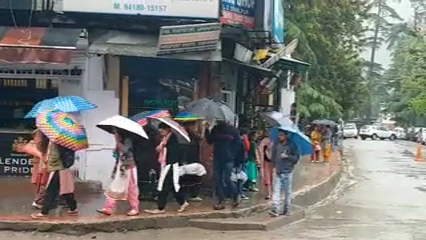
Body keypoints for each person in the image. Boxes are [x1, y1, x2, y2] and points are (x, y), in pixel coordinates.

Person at [146, 123, 189, 214]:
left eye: (162, 131)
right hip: (167, 165)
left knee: (167, 185)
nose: (161, 133)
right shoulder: (166, 139)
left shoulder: (172, 139)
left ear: (168, 129)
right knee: (168, 186)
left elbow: (173, 152)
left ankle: (162, 207)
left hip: (171, 165)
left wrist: (164, 145)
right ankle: (180, 203)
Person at [97, 128, 139, 216]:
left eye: (116, 132)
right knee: (114, 186)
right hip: (121, 167)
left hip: (128, 167)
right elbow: (117, 153)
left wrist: (117, 141)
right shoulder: (121, 140)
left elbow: (125, 150)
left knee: (131, 188)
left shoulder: (128, 140)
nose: (114, 133)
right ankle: (109, 207)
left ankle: (135, 208)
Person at [31, 140, 78, 219]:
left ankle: (44, 212)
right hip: (63, 168)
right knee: (66, 190)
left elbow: (55, 156)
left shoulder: (59, 142)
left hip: (58, 169)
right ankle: (73, 208)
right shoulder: (67, 141)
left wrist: (49, 163)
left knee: (51, 191)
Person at [205, 120, 240, 210]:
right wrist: (206, 130)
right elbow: (210, 141)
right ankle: (221, 200)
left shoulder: (233, 130)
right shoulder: (216, 129)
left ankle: (235, 195)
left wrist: (233, 155)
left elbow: (238, 145)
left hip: (229, 159)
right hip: (217, 158)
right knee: (217, 180)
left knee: (227, 179)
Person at [270, 130, 300, 217]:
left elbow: (296, 159)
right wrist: (274, 166)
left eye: (281, 135)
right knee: (276, 190)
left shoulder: (292, 145)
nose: (279, 137)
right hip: (278, 171)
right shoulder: (276, 143)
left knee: (287, 192)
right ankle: (275, 208)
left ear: (286, 136)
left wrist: (287, 156)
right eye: (279, 135)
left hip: (287, 171)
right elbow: (273, 156)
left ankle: (287, 209)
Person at [15, 130, 49, 209]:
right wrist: (41, 156)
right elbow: (27, 148)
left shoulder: (48, 144)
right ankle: (39, 201)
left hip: (45, 166)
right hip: (39, 166)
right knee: (40, 183)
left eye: (39, 136)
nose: (38, 138)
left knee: (44, 183)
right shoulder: (33, 144)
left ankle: (42, 200)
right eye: (37, 136)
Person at [179, 121, 203, 202]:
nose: (194, 127)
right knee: (184, 177)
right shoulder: (182, 137)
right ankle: (183, 195)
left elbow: (200, 141)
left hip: (194, 159)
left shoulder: (195, 136)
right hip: (186, 159)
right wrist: (183, 160)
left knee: (195, 177)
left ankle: (194, 195)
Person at [258, 131, 273, 199]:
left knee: (273, 178)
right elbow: (260, 149)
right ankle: (269, 193)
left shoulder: (278, 141)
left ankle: (271, 192)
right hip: (267, 162)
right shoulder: (266, 140)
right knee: (267, 178)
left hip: (274, 162)